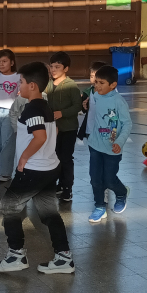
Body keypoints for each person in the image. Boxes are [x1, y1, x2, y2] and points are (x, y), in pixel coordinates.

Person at [0, 62, 74, 275]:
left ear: (33, 86)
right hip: (48, 167)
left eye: (21, 82)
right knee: (48, 212)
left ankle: (16, 255)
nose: (18, 86)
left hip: (34, 170)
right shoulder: (43, 105)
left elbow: (40, 137)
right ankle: (64, 257)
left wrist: (23, 159)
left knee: (9, 207)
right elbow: (50, 132)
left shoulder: (33, 108)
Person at [86, 65, 133, 223]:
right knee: (95, 178)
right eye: (96, 82)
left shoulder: (119, 101)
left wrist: (119, 141)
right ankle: (99, 206)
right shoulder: (96, 95)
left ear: (113, 85)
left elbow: (127, 124)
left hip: (112, 148)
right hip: (95, 145)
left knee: (109, 179)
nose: (97, 86)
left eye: (101, 83)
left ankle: (121, 193)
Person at [45, 52, 83, 203]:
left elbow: (77, 106)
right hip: (52, 129)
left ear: (66, 68)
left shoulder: (71, 85)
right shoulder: (48, 84)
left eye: (57, 67)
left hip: (68, 128)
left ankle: (67, 187)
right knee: (54, 157)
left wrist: (62, 113)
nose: (53, 70)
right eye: (52, 66)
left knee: (66, 158)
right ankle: (57, 184)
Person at [0, 49, 21, 181]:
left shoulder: (19, 77)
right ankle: (1, 167)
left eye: (4, 61)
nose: (1, 64)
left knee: (7, 142)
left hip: (10, 112)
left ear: (12, 62)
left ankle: (5, 172)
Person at [77, 61, 107, 142]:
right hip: (90, 129)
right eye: (91, 76)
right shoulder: (87, 92)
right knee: (93, 153)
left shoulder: (111, 92)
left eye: (96, 76)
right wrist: (84, 106)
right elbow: (84, 110)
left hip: (106, 130)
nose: (93, 79)